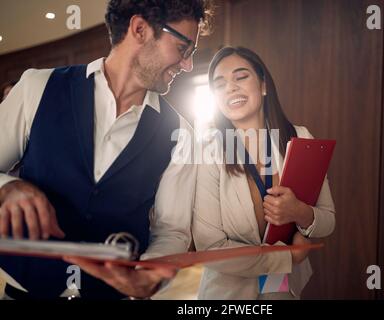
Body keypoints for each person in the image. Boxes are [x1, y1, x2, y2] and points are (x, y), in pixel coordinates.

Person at [0, 0, 213, 299]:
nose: (188, 65)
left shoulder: (182, 135)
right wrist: (7, 187)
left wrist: (150, 274)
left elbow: (172, 230)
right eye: (183, 48)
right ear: (140, 29)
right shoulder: (37, 86)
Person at [192, 47, 336, 300]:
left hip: (284, 291)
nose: (230, 88)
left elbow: (328, 220)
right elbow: (210, 248)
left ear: (264, 85)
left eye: (241, 77)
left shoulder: (300, 138)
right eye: (220, 83)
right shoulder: (207, 151)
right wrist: (287, 256)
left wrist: (299, 212)